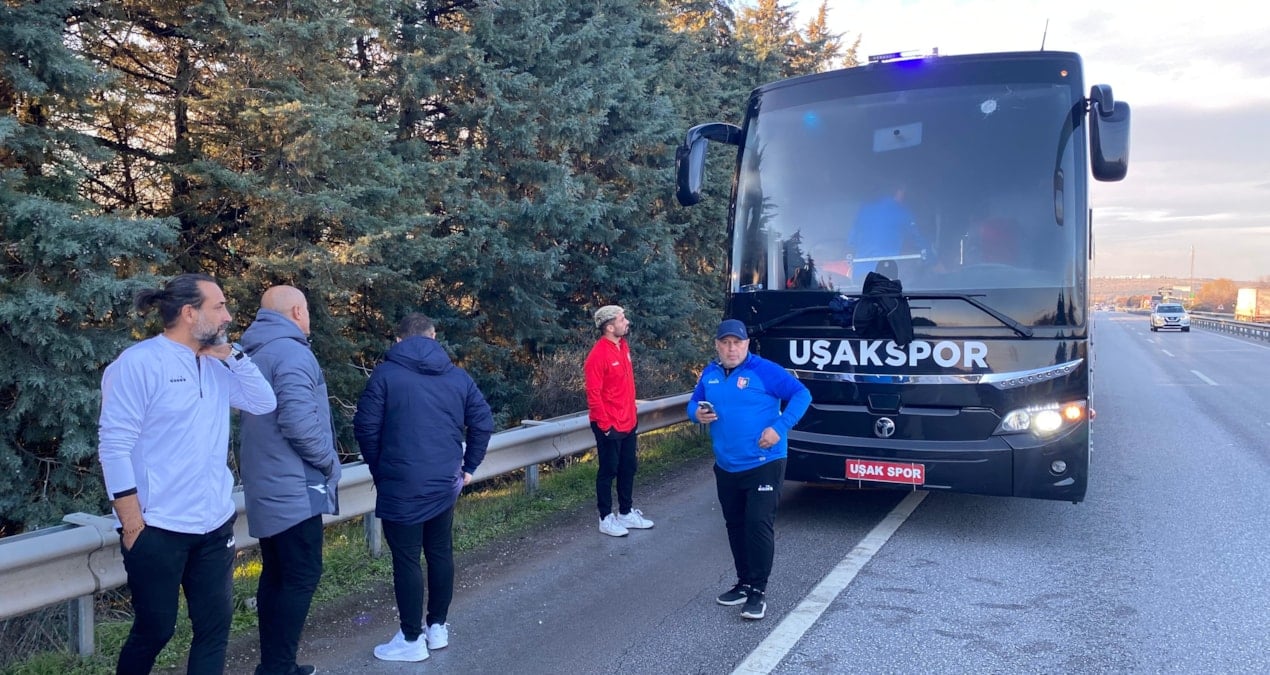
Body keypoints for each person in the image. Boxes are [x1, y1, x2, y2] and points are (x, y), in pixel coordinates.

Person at [97, 273, 277, 675]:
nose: (228, 316)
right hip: (158, 527)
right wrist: (132, 523)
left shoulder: (217, 363)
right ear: (189, 313)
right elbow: (114, 446)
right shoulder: (139, 364)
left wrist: (234, 356)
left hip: (214, 525)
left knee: (214, 630)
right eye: (219, 306)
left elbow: (263, 403)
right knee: (155, 630)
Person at [354, 313, 494, 663]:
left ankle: (411, 638)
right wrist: (468, 467)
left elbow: (365, 427)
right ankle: (437, 627)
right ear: (433, 336)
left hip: (400, 483)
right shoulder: (457, 376)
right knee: (440, 551)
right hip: (445, 482)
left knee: (406, 559)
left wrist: (380, 469)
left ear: (399, 340)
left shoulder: (385, 375)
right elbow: (483, 422)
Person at [239, 285, 341, 675]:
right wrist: (329, 463)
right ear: (298, 311)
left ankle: (275, 665)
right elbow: (299, 424)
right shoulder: (293, 353)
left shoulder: (256, 352)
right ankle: (278, 669)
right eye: (308, 310)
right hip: (294, 487)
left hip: (266, 483)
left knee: (277, 575)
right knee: (301, 574)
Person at [687, 319, 811, 621]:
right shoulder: (710, 373)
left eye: (737, 343)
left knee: (757, 524)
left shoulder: (764, 370)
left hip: (764, 462)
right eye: (725, 343)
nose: (732, 349)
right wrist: (697, 414)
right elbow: (694, 403)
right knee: (735, 524)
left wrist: (779, 428)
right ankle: (743, 583)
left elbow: (802, 394)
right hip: (726, 464)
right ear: (717, 345)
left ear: (746, 344)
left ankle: (758, 590)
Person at [585, 305, 654, 537]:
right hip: (609, 424)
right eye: (622, 319)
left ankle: (625, 512)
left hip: (628, 420)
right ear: (609, 327)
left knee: (628, 466)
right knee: (609, 469)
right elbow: (593, 394)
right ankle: (605, 518)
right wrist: (605, 426)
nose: (627, 322)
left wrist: (631, 412)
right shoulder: (597, 356)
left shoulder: (623, 346)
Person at [847, 184, 932, 277]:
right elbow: (917, 237)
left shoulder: (865, 208)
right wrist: (932, 258)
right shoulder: (901, 211)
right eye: (904, 193)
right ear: (899, 192)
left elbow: (852, 238)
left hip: (860, 274)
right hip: (886, 272)